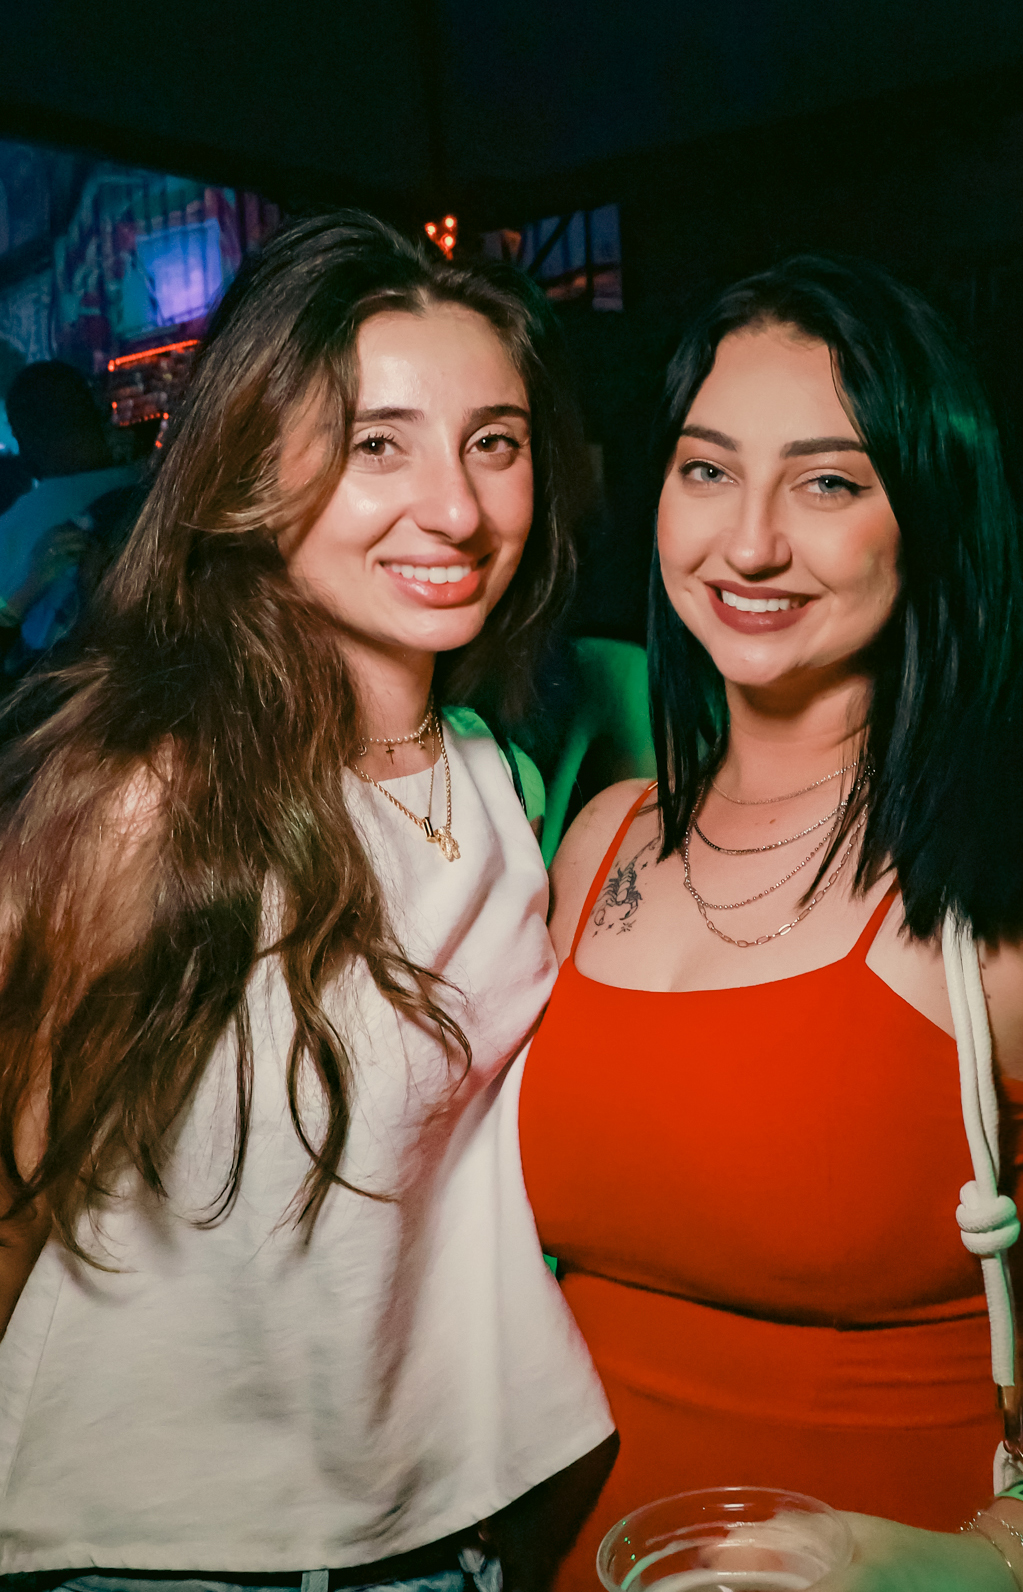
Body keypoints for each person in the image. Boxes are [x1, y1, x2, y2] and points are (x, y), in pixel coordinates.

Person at [518, 257, 1023, 1592]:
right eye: (706, 469)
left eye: (826, 482)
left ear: (924, 511)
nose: (748, 542)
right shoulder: (600, 845)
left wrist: (1002, 1564)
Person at [0, 212, 613, 1588]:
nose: (454, 509)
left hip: (440, 1542)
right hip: (154, 1557)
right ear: (248, 469)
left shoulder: (494, 777)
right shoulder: (145, 798)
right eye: (376, 443)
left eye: (494, 443)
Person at [0, 361, 141, 657]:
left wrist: (22, 596)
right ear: (97, 409)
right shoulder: (163, 489)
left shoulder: (13, 531)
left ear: (23, 435)